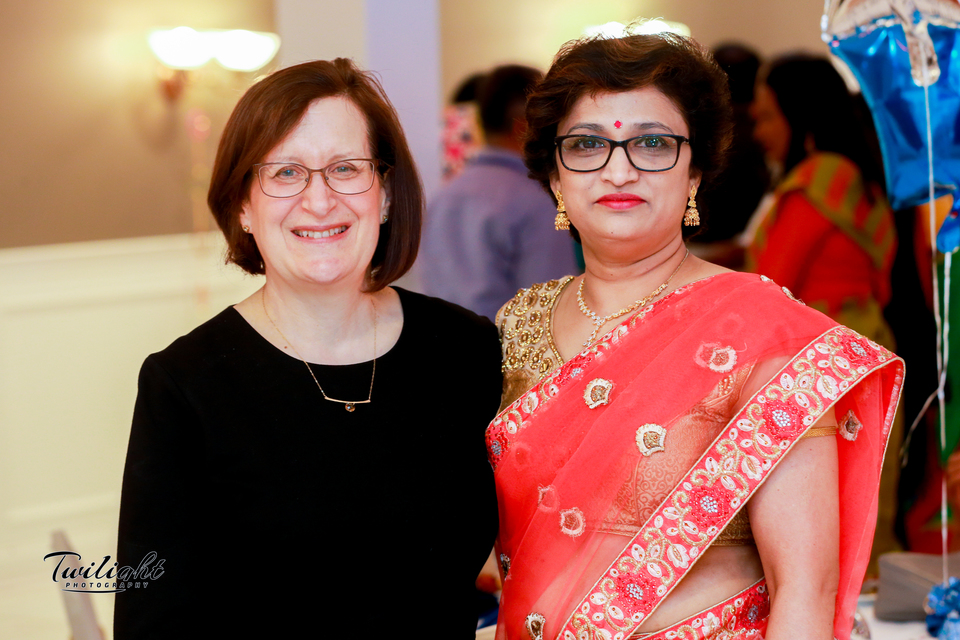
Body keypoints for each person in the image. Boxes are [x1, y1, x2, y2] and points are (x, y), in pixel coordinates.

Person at [487, 33, 903, 640]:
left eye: (653, 143)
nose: (619, 170)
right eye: (587, 145)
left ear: (695, 174)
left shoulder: (763, 332)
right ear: (555, 177)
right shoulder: (516, 323)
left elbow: (804, 589)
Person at [115, 59, 502, 638]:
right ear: (243, 205)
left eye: (346, 168)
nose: (319, 200)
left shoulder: (466, 349)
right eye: (286, 172)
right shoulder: (185, 384)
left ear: (386, 195)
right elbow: (151, 620)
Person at [747, 54, 896, 349]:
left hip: (824, 354)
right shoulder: (851, 174)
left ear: (800, 116)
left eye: (767, 117)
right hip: (858, 344)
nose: (758, 133)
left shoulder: (818, 181)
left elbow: (769, 287)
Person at [421, 64, 579, 320]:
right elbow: (552, 307)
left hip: (441, 341)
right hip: (508, 343)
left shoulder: (444, 196)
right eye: (548, 121)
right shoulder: (536, 201)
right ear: (523, 126)